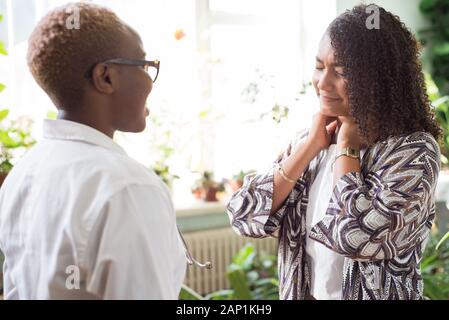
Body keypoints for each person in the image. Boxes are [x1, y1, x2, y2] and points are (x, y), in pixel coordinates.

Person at [227, 4, 442, 300]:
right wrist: (308, 148)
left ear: (378, 80)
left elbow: (357, 236)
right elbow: (243, 214)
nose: (322, 83)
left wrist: (346, 149)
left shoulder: (413, 152)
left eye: (340, 72)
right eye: (319, 66)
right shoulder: (310, 142)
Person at [0, 2, 186, 299]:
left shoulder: (23, 173)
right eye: (143, 65)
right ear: (106, 77)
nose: (150, 80)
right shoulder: (126, 187)